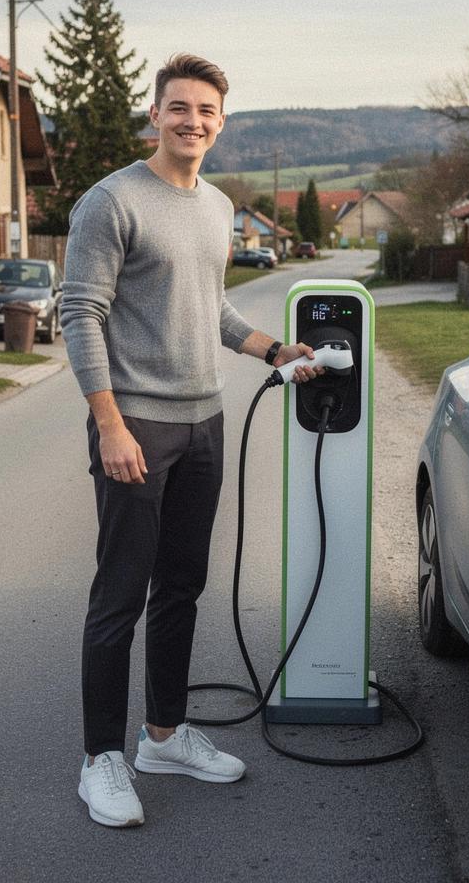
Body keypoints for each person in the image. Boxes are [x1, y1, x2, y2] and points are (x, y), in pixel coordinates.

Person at [61, 53, 320, 828]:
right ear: (156, 114)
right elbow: (80, 315)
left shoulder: (216, 205)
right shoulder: (111, 202)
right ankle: (100, 758)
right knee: (121, 595)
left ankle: (163, 737)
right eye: (179, 108)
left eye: (206, 111)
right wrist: (108, 425)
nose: (192, 121)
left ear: (221, 122)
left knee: (181, 588)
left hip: (203, 421)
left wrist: (277, 352)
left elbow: (211, 310)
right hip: (135, 425)